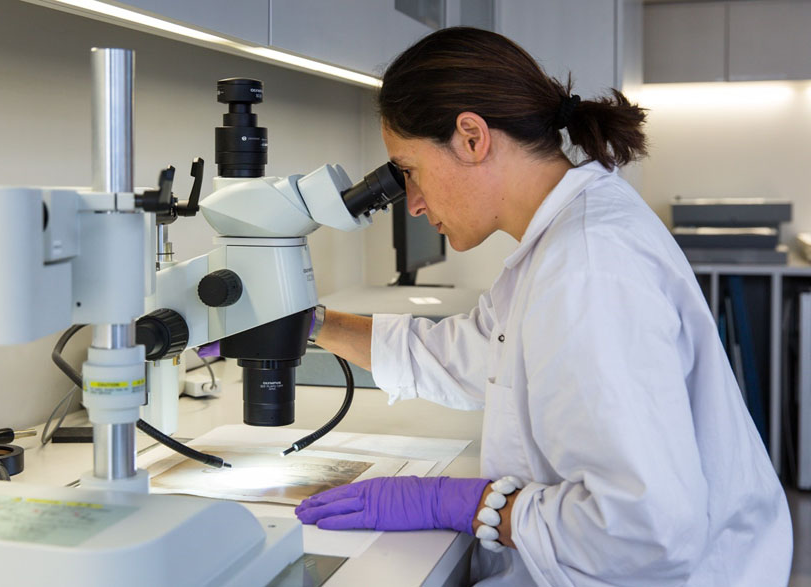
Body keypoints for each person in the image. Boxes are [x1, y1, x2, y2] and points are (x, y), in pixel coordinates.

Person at [294, 27, 792, 586]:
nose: (411, 203)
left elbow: (645, 530)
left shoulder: (587, 266)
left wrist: (468, 504)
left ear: (471, 137)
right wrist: (310, 324)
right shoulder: (565, 234)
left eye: (408, 171)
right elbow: (476, 356)